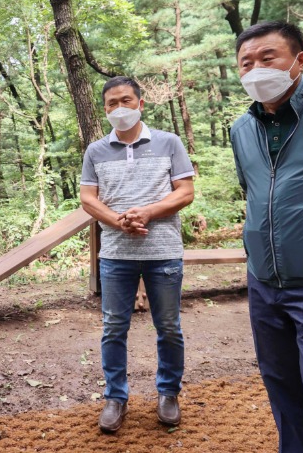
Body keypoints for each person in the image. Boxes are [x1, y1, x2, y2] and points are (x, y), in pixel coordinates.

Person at [230, 21, 303, 452]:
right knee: (283, 391)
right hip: (264, 285)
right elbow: (255, 194)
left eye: (267, 58)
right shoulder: (242, 129)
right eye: (246, 63)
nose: (256, 69)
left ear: (299, 60)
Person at [79, 76, 194, 433]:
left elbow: (186, 191)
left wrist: (146, 212)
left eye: (126, 100)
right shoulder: (95, 150)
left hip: (164, 251)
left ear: (141, 103)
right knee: (113, 328)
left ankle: (169, 393)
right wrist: (117, 220)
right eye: (112, 103)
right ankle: (115, 397)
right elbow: (87, 198)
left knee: (169, 328)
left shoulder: (168, 142)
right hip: (115, 254)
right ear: (105, 109)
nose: (119, 108)